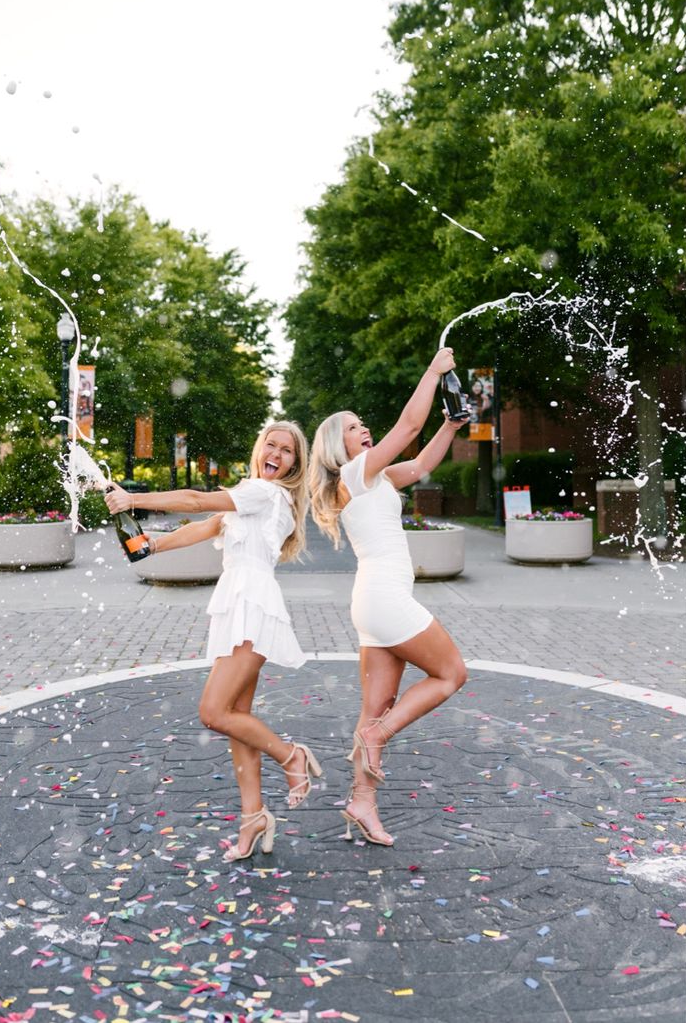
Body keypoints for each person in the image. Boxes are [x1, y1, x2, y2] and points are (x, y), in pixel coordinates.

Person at [105, 421, 322, 862]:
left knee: (213, 711)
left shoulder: (268, 494)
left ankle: (292, 756)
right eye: (271, 444)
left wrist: (133, 499)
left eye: (287, 450)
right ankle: (253, 817)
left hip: (253, 604)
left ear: (295, 464)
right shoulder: (250, 493)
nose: (276, 453)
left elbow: (195, 499)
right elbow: (206, 524)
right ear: (260, 447)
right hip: (237, 603)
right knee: (236, 716)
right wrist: (149, 546)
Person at [309, 348, 469, 845]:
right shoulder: (353, 476)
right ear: (338, 443)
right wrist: (431, 370)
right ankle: (377, 737)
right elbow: (405, 429)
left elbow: (418, 463)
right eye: (354, 426)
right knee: (451, 674)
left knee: (374, 708)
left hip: (374, 603)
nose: (365, 429)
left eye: (364, 424)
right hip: (383, 598)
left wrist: (450, 427)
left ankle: (362, 800)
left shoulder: (373, 478)